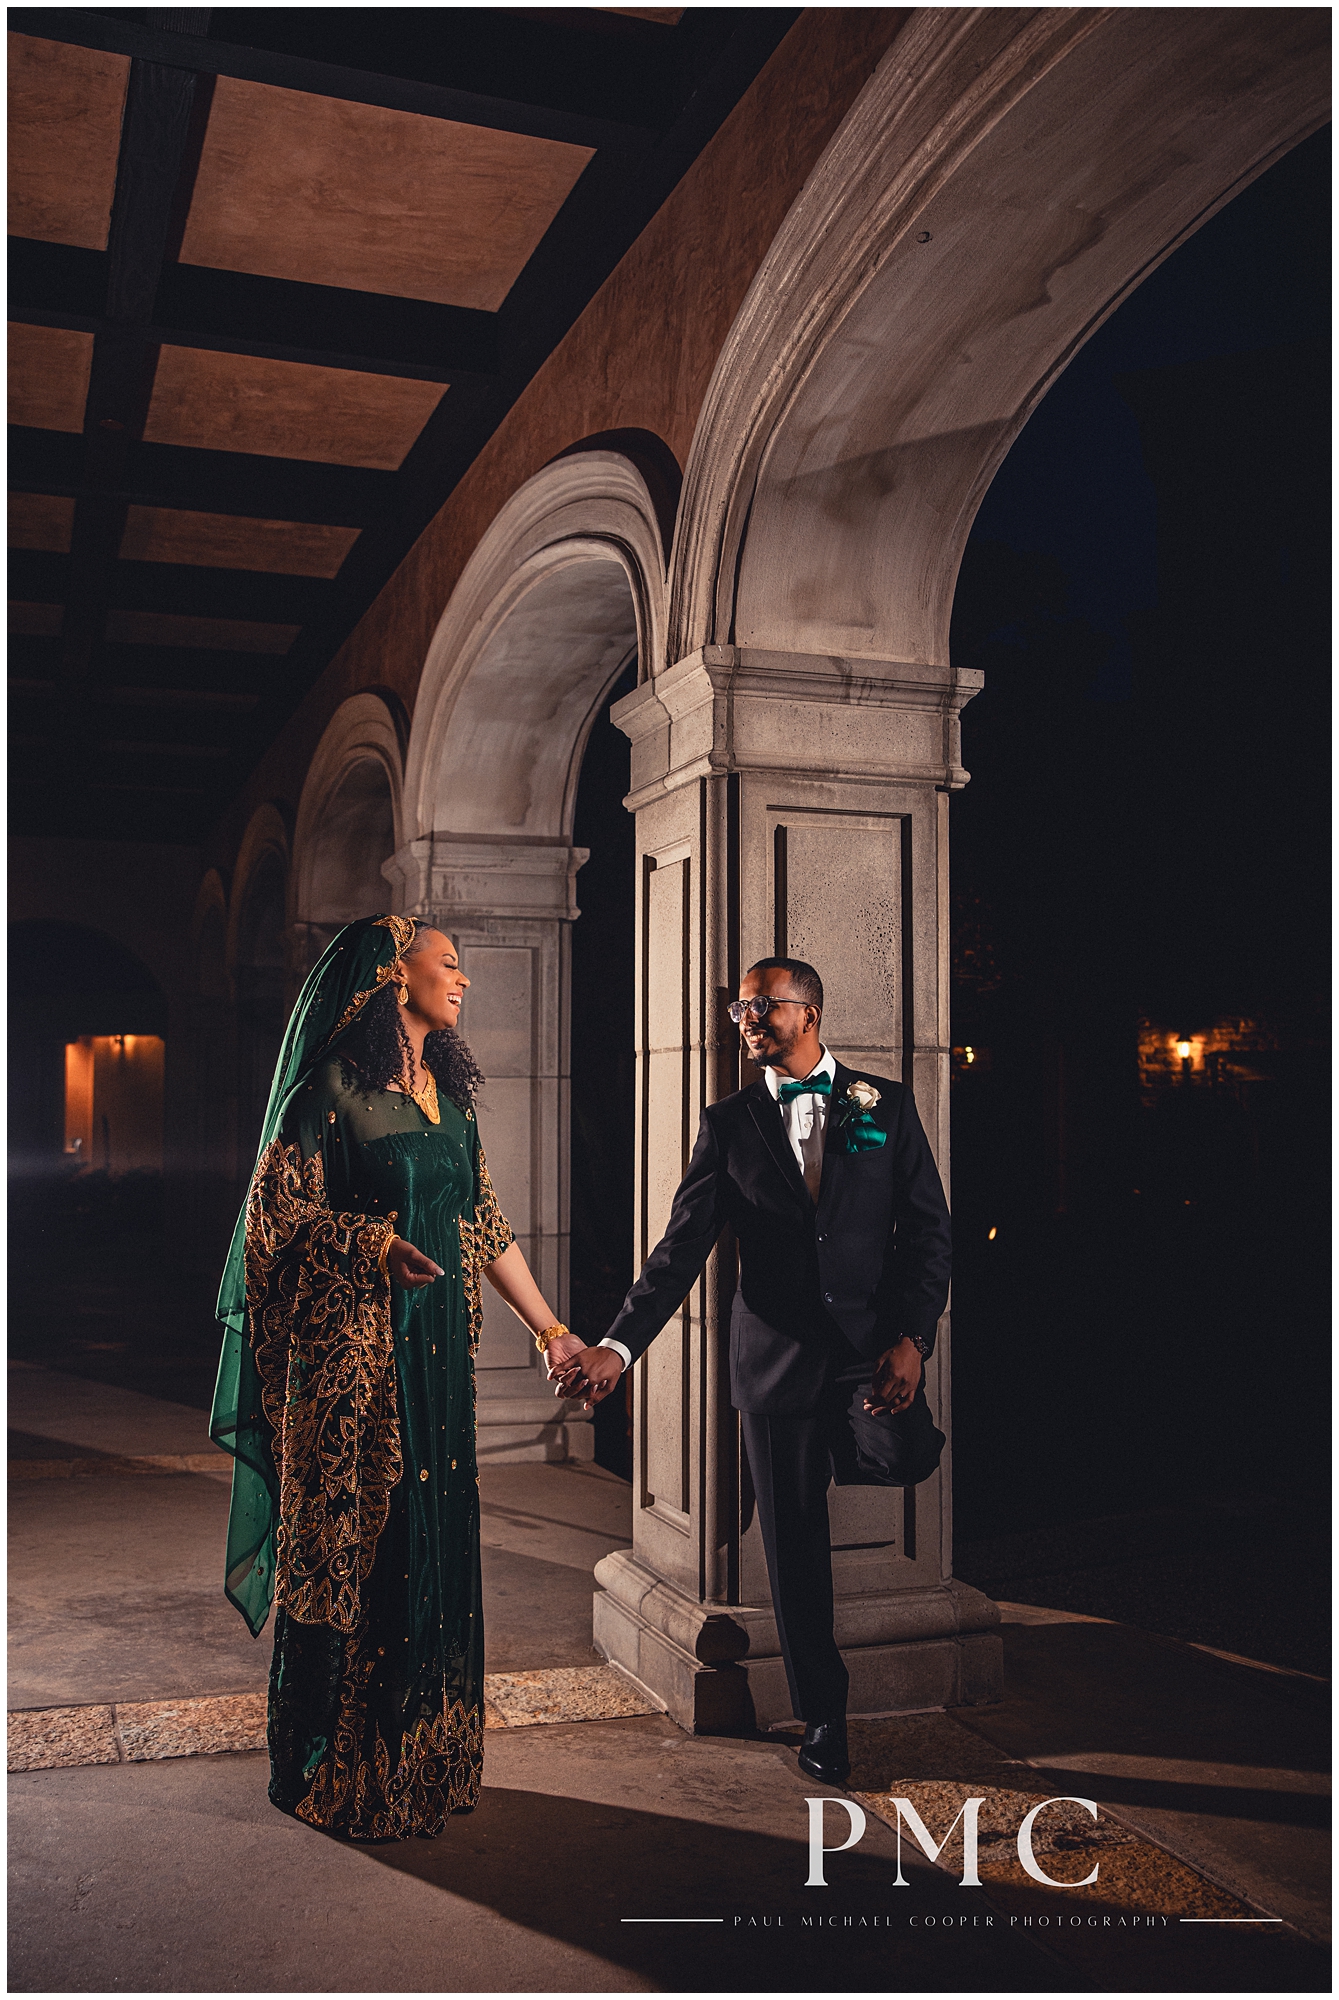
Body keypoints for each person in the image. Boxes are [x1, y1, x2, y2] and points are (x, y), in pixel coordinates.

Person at [211, 914, 584, 1839]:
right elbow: (269, 1234)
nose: (461, 979)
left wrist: (552, 1333)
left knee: (433, 1545)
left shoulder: (446, 1106)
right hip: (350, 1381)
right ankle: (336, 1772)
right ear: (390, 976)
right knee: (362, 1556)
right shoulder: (326, 1094)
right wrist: (367, 1245)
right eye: (445, 964)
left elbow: (485, 1230)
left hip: (436, 1373)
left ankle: (427, 1764)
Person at [550, 957, 951, 1785]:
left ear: (807, 1012)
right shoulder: (728, 1123)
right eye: (737, 1008)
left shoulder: (882, 1103)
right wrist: (617, 1348)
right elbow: (678, 1251)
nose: (743, 1020)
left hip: (867, 1349)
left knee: (907, 1455)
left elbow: (928, 1232)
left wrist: (912, 1337)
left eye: (759, 1006)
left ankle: (856, 1437)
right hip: (771, 1361)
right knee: (794, 1545)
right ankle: (824, 1718)